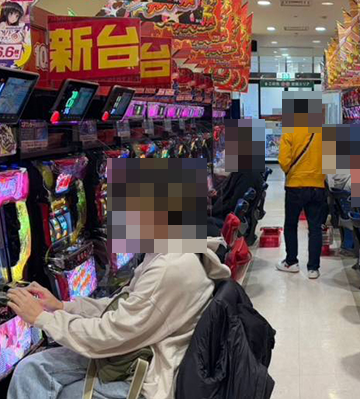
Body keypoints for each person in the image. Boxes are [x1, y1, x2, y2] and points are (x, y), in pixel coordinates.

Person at [7, 159, 231, 399]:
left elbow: (111, 335)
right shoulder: (172, 248)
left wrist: (43, 319)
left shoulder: (170, 268)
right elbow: (125, 306)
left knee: (61, 390)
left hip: (151, 370)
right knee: (32, 369)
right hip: (139, 350)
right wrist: (63, 307)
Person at [277, 92, 326, 279]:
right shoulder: (322, 132)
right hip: (317, 186)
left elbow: (283, 161)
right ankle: (313, 268)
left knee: (291, 224)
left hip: (295, 185)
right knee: (315, 227)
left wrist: (292, 171)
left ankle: (291, 262)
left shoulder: (290, 131)